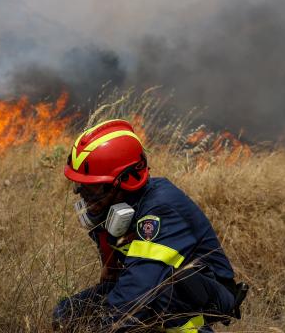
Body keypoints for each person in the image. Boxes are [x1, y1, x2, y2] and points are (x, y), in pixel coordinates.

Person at [53, 119, 247, 332]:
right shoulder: (111, 207)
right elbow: (115, 276)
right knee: (67, 312)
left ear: (126, 180)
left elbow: (135, 295)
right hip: (153, 280)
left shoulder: (161, 209)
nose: (85, 197)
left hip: (201, 291)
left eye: (94, 189)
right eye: (81, 187)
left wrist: (103, 327)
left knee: (157, 299)